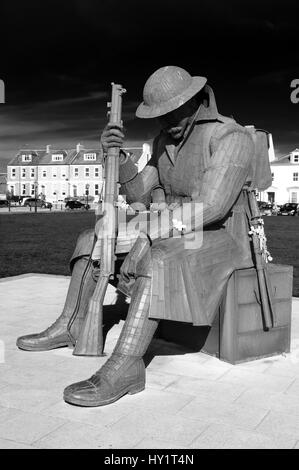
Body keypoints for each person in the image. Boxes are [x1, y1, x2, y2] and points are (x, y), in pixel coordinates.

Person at [17, 65, 255, 407]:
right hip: (175, 228)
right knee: (92, 237)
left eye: (172, 112)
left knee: (157, 259)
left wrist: (150, 233)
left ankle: (127, 363)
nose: (166, 121)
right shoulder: (162, 141)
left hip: (220, 237)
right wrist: (119, 155)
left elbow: (213, 207)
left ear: (194, 101)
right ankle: (71, 323)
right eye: (160, 115)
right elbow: (140, 196)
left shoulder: (229, 137)